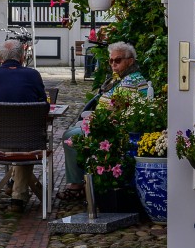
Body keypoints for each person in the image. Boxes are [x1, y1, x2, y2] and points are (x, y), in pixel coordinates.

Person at [60, 41, 154, 199]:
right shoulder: (122, 78)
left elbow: (122, 111)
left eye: (118, 60)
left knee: (70, 137)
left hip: (113, 130)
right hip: (102, 124)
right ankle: (79, 182)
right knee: (71, 134)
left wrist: (96, 119)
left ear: (130, 61)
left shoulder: (132, 81)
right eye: (111, 61)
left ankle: (77, 185)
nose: (113, 64)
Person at [0, 38, 48, 209]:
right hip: (29, 143)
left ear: (0, 59)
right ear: (22, 58)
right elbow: (45, 109)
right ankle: (18, 195)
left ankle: (13, 185)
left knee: (22, 141)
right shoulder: (33, 75)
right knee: (28, 140)